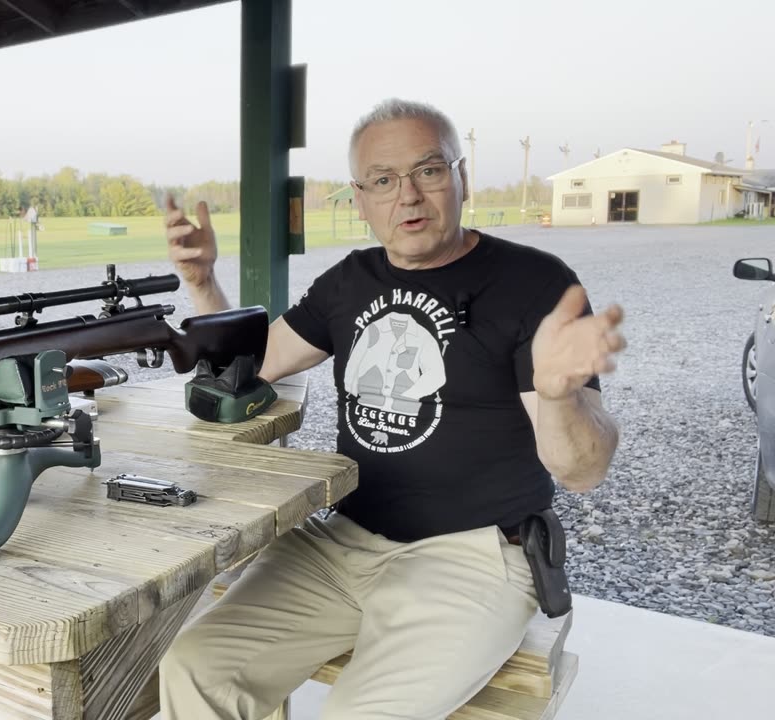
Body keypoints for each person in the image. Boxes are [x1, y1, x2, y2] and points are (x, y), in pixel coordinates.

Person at [157, 98, 625, 720]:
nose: (407, 195)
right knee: (194, 669)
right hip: (338, 542)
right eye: (383, 180)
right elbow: (254, 364)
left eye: (428, 171)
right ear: (360, 198)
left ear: (462, 178)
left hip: (471, 558)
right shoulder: (351, 281)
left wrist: (560, 392)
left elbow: (582, 471)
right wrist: (202, 280)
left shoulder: (535, 284)